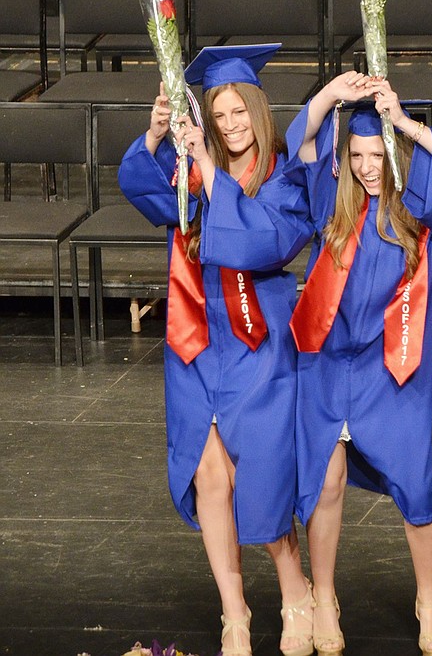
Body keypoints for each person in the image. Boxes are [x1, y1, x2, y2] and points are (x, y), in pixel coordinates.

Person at [118, 44, 317, 656]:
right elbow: (142, 191)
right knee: (208, 476)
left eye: (238, 113)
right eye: (219, 115)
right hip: (196, 335)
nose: (230, 126)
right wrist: (154, 139)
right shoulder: (192, 167)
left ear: (256, 112)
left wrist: (210, 169)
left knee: (261, 477)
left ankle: (295, 592)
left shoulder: (285, 176)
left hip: (259, 339)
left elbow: (264, 246)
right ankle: (235, 611)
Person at [284, 72, 432, 656]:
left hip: (392, 369)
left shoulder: (421, 219)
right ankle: (323, 597)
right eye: (358, 154)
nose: (368, 167)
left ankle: (428, 598)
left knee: (415, 486)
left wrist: (402, 122)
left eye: (378, 155)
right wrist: (326, 99)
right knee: (324, 482)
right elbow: (301, 150)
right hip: (324, 364)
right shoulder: (332, 205)